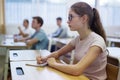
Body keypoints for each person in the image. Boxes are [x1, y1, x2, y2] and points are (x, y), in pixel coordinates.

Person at [36, 2, 107, 80]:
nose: (67, 21)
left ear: (84, 18)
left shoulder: (97, 41)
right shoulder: (77, 39)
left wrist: (53, 64)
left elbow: (77, 70)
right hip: (79, 77)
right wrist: (44, 59)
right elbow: (58, 53)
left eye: (70, 17)